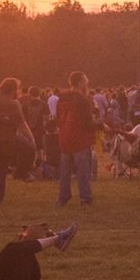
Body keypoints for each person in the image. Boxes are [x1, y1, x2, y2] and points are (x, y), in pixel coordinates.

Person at [0, 78, 36, 204]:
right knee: (29, 148)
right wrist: (32, 139)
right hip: (2, 139)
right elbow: (22, 124)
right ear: (14, 90)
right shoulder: (12, 103)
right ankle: (22, 172)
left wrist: (5, 121)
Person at [55, 72, 97, 208]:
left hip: (65, 138)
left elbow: (58, 118)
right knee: (82, 170)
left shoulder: (61, 97)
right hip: (80, 139)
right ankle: (85, 198)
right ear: (79, 82)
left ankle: (62, 198)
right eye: (85, 79)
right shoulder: (82, 99)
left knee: (65, 171)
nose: (87, 81)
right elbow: (87, 122)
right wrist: (102, 124)